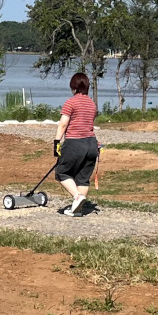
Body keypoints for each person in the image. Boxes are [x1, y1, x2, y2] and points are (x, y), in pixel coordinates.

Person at [53, 72, 99, 217]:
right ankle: (77, 209)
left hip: (75, 142)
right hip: (92, 144)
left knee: (62, 172)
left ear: (74, 87)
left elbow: (63, 124)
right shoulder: (92, 104)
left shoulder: (71, 102)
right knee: (83, 177)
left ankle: (77, 197)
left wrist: (56, 143)